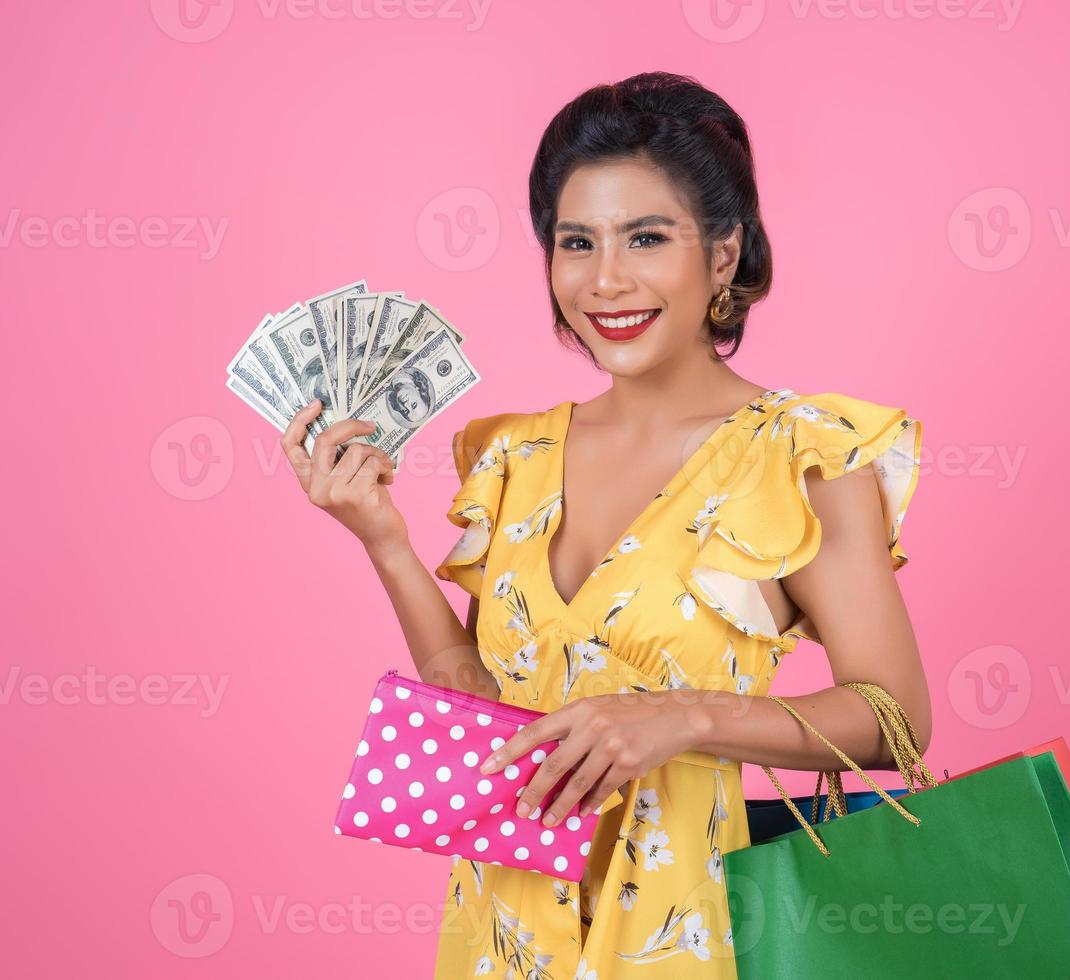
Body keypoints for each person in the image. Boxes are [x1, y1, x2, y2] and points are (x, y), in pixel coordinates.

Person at [281, 70, 930, 979]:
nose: (605, 279)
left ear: (724, 253)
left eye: (647, 237)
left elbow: (894, 720)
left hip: (686, 937)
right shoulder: (513, 459)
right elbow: (486, 707)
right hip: (500, 935)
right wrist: (382, 537)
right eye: (576, 242)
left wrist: (682, 718)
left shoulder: (799, 458)